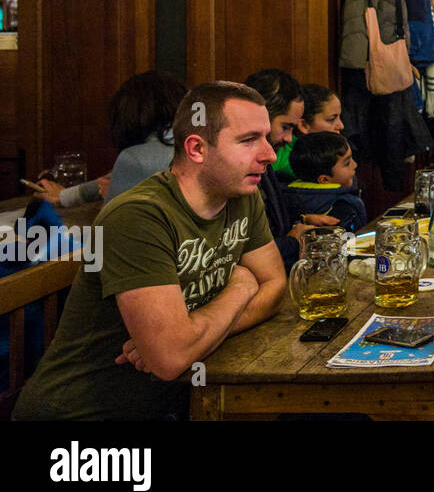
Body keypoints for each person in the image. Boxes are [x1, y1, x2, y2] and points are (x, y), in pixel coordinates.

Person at [12, 82, 286, 420]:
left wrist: (193, 337)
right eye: (248, 140)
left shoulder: (242, 195)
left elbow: (275, 288)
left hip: (169, 404)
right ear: (197, 148)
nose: (270, 154)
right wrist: (240, 288)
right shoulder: (139, 216)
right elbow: (170, 359)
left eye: (265, 137)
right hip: (82, 415)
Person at [36, 70, 187, 207]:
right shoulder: (197, 144)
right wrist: (66, 196)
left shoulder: (136, 158)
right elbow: (108, 179)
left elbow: (109, 231)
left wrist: (115, 197)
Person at [245, 68, 334, 273]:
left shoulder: (263, 162)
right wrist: (293, 242)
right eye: (285, 127)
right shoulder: (235, 171)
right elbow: (245, 255)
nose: (288, 139)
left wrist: (301, 221)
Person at [286, 131, 367, 231]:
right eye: (347, 163)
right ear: (324, 180)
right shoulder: (341, 206)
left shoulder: (289, 198)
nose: (355, 165)